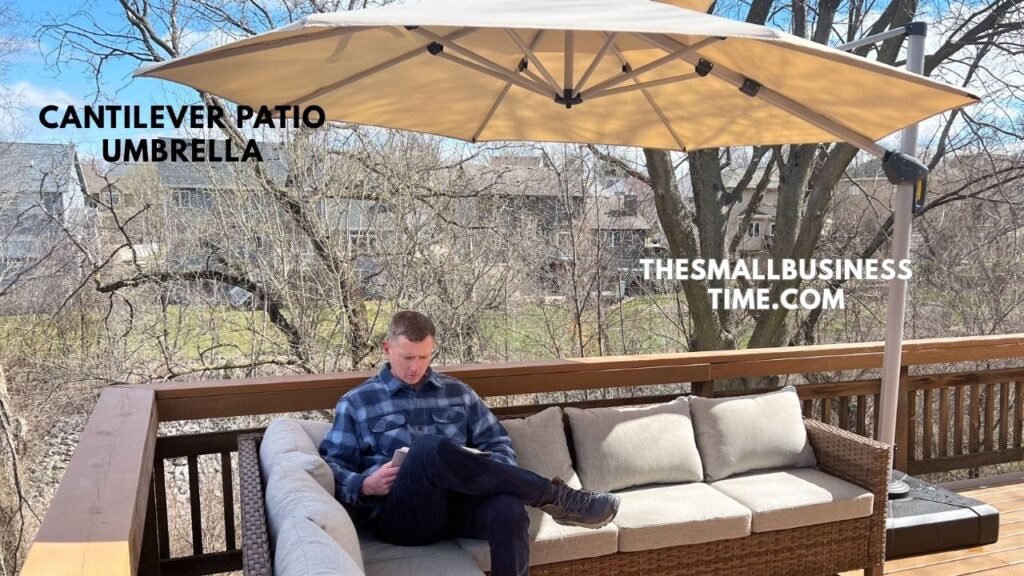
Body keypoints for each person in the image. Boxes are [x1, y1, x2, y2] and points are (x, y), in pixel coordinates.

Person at [320, 310, 619, 576]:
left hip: (459, 507)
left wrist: (480, 472)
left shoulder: (458, 394)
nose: (416, 367)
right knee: (426, 448)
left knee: (509, 508)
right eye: (408, 358)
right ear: (387, 349)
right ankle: (555, 495)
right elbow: (331, 466)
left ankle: (553, 500)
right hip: (402, 516)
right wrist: (364, 485)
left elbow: (498, 443)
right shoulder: (356, 402)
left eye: (424, 357)